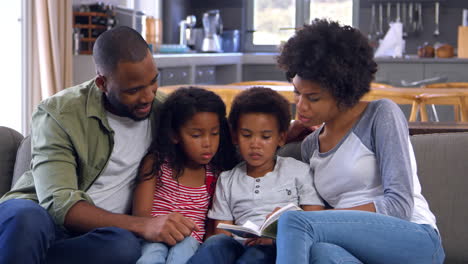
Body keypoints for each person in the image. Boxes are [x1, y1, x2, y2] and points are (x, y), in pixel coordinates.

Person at [0, 26, 198, 264]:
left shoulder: (165, 110)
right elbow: (59, 203)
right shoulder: (59, 113)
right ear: (102, 83)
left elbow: (215, 141)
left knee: (123, 246)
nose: (148, 96)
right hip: (38, 219)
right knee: (26, 218)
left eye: (153, 81)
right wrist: (144, 225)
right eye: (134, 90)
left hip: (94, 237)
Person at [274, 19, 445, 263]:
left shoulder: (380, 115)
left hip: (413, 239)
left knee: (295, 223)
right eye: (297, 93)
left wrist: (323, 220)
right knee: (320, 253)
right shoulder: (310, 145)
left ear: (343, 92)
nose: (301, 105)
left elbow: (399, 205)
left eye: (313, 97)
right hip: (355, 250)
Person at [188, 87, 324, 264]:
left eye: (265, 137)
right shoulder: (227, 179)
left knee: (258, 254)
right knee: (215, 242)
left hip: (280, 246)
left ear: (281, 138)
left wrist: (275, 237)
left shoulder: (299, 171)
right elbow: (223, 232)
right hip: (240, 244)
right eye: (247, 135)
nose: (255, 144)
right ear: (235, 136)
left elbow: (314, 220)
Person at [133, 87, 237, 264]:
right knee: (152, 255)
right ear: (175, 135)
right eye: (196, 135)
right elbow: (140, 215)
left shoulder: (216, 175)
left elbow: (213, 229)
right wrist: (161, 228)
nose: (208, 144)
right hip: (154, 236)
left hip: (191, 242)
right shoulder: (156, 163)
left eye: (214, 133)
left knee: (183, 251)